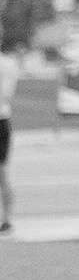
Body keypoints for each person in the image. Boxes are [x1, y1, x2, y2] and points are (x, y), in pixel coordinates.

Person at [0, 43, 16, 234]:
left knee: (2, 173)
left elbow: (5, 95)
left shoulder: (6, 64)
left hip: (0, 121)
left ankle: (7, 219)